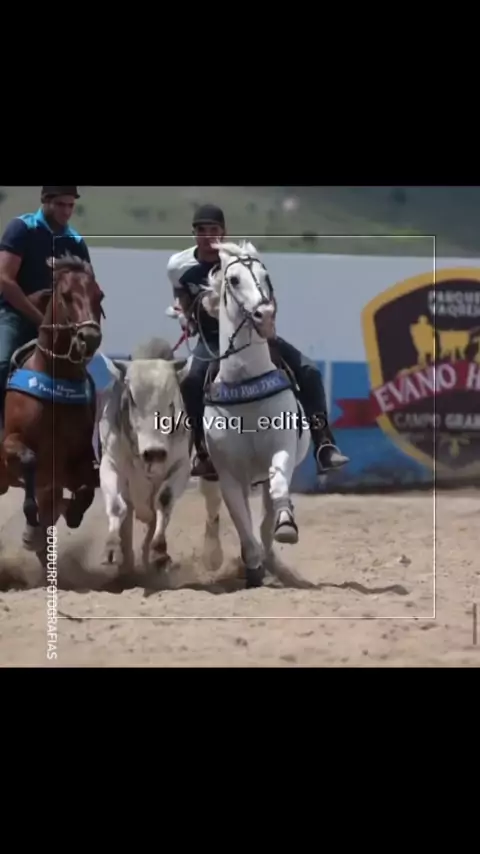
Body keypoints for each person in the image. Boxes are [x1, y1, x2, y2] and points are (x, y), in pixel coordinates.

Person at [167, 203, 349, 479]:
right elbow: (181, 294)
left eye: (214, 230)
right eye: (201, 230)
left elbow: (267, 297)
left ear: (224, 232)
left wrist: (268, 328)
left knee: (309, 370)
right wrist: (186, 316)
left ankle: (324, 443)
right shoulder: (179, 266)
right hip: (213, 341)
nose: (208, 237)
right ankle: (201, 451)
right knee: (191, 381)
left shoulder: (243, 261)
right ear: (193, 233)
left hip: (255, 336)